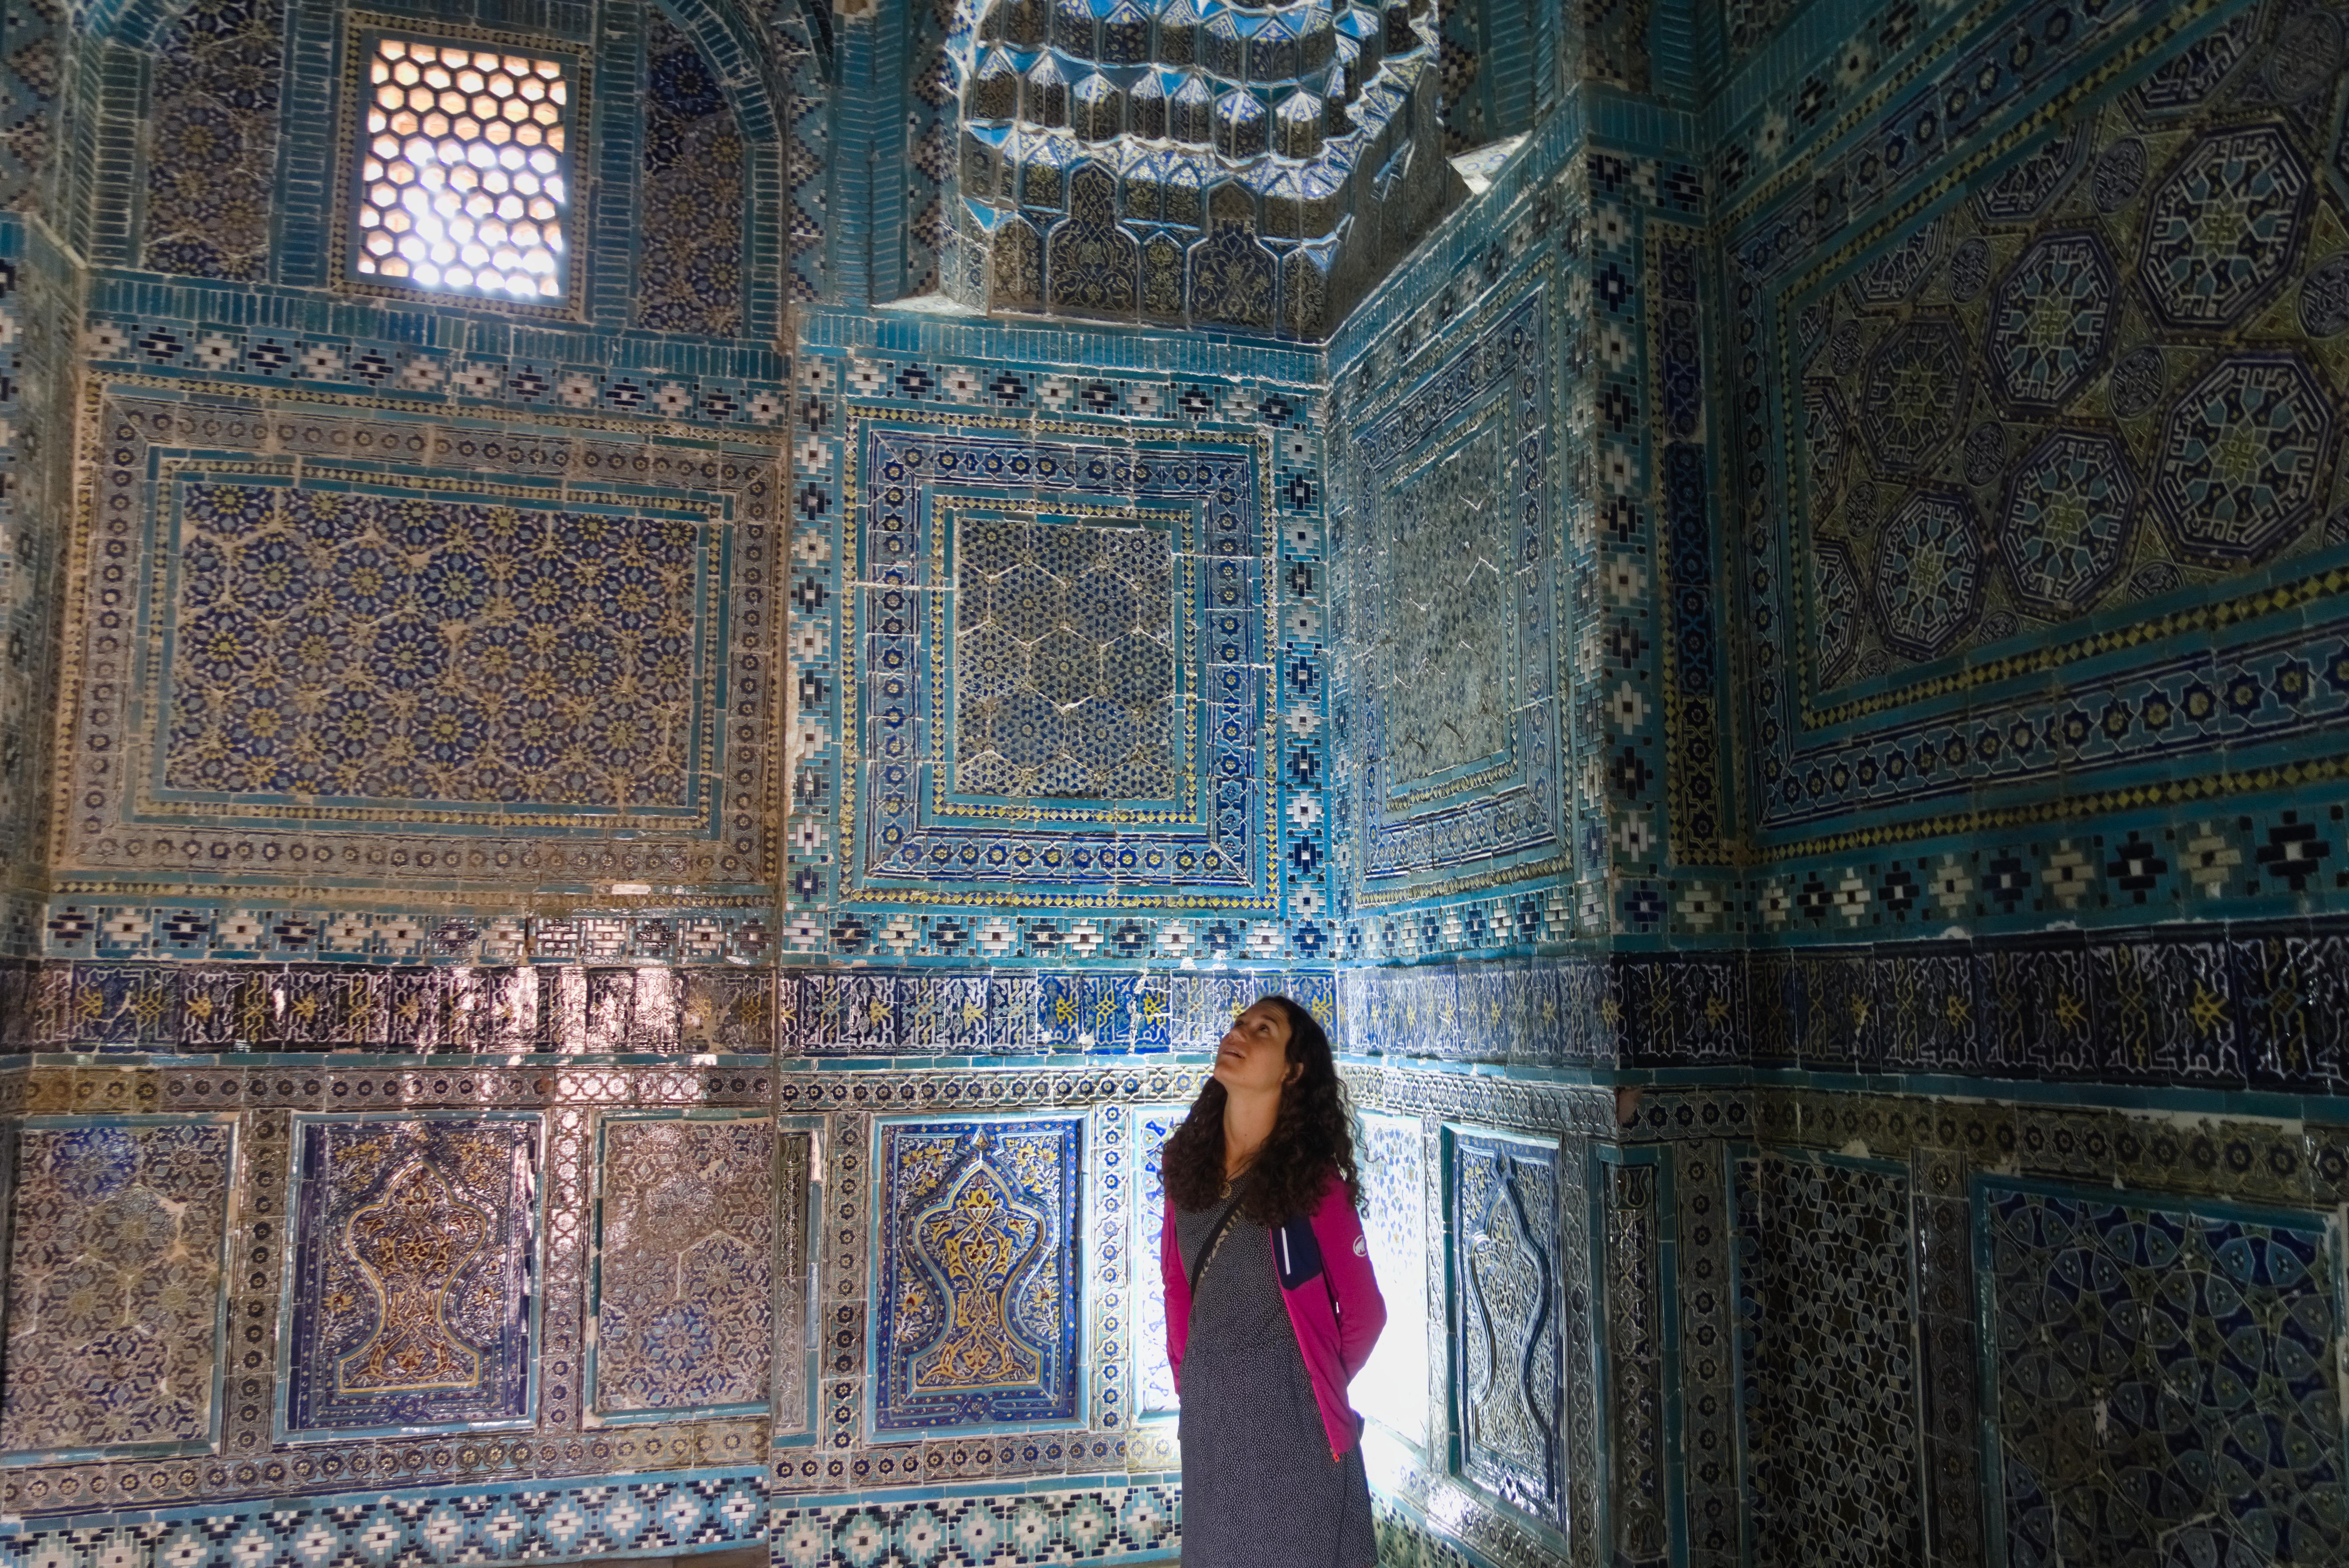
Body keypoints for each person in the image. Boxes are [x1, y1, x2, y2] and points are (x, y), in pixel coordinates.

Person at [1157, 995, 1385, 1568]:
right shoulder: (1187, 1166)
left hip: (1292, 1431)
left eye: (1265, 1029)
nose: (1241, 1032)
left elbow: (1364, 1311)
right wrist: (1193, 1380)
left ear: (1291, 1070)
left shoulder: (1312, 1182)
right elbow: (1178, 1286)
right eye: (1239, 1023)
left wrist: (1304, 1387)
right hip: (1213, 1424)